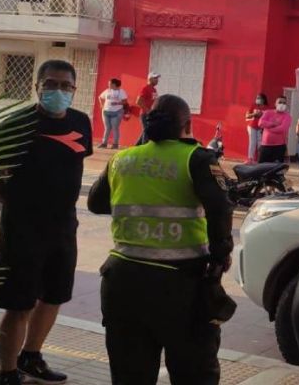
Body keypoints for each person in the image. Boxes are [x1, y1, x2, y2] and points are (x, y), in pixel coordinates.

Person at [87, 94, 234, 385]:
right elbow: (221, 207)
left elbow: (96, 203)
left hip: (122, 284)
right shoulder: (197, 158)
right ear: (187, 125)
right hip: (181, 286)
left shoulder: (122, 159)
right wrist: (220, 257)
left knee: (130, 376)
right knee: (194, 374)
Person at [0, 59, 93, 385]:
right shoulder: (17, 124)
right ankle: (7, 373)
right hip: (22, 229)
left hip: (63, 227)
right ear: (37, 86)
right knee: (18, 304)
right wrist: (15, 203)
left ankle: (31, 357)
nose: (58, 91)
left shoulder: (81, 122)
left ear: (74, 90)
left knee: (54, 296)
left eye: (65, 86)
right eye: (50, 84)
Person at [258, 96, 291, 163]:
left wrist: (268, 129)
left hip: (279, 147)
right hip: (265, 146)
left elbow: (282, 129)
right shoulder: (268, 112)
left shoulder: (287, 116)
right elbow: (260, 123)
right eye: (280, 102)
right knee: (262, 169)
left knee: (276, 170)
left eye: (284, 103)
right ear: (275, 104)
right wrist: (273, 124)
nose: (282, 104)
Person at [98, 78, 128, 149]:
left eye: (110, 83)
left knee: (115, 128)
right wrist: (101, 105)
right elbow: (100, 97)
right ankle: (104, 143)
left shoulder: (121, 92)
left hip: (117, 112)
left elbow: (125, 102)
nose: (108, 85)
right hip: (106, 111)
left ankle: (115, 144)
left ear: (114, 84)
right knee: (107, 128)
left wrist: (117, 103)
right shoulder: (107, 91)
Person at [135, 72, 160, 145]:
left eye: (157, 78)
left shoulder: (154, 89)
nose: (157, 80)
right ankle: (143, 149)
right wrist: (147, 110)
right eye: (155, 78)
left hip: (151, 114)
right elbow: (138, 101)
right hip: (145, 114)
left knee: (145, 131)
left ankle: (135, 147)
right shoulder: (145, 88)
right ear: (150, 79)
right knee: (147, 131)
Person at [245, 93, 269, 163]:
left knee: (260, 144)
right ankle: (250, 159)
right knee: (252, 143)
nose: (257, 99)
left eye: (259, 98)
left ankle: (259, 159)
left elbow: (268, 118)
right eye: (257, 98)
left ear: (263, 99)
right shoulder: (253, 106)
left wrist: (262, 115)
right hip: (252, 126)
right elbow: (247, 116)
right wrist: (254, 114)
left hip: (261, 128)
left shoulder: (267, 108)